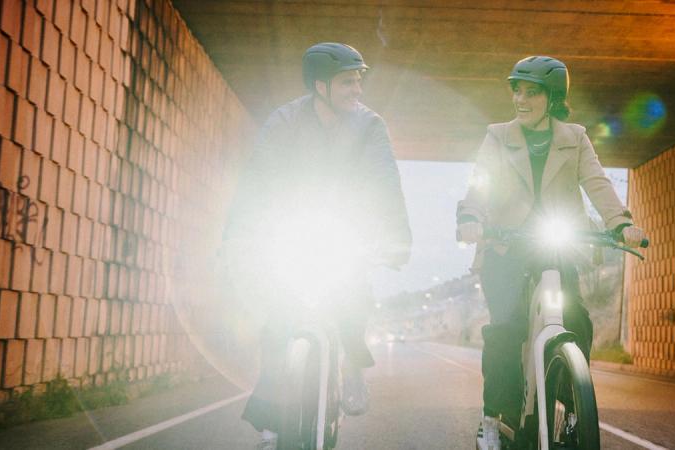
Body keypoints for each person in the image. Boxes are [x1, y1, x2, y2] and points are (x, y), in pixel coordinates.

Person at [223, 42, 412, 450]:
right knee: (278, 325)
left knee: (354, 298)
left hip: (348, 231)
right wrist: (239, 235)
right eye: (347, 82)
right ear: (320, 86)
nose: (357, 89)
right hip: (293, 231)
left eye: (359, 81)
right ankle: (272, 427)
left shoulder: (370, 125)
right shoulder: (285, 120)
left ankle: (353, 362)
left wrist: (396, 239)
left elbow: (385, 182)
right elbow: (257, 180)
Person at [456, 56, 647, 450]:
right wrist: (471, 215)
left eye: (531, 92)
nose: (520, 99)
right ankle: (493, 418)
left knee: (576, 319)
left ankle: (573, 405)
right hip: (507, 246)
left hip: (555, 246)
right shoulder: (497, 136)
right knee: (505, 329)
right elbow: (480, 182)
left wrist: (620, 223)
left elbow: (597, 182)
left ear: (553, 98)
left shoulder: (575, 137)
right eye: (517, 90)